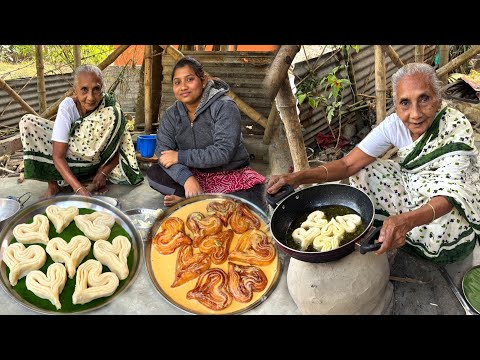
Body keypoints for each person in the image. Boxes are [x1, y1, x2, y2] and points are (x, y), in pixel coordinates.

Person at [267, 62, 480, 265]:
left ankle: (418, 237)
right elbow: (348, 165)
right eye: (405, 103)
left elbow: (451, 195)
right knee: (364, 169)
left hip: (446, 207)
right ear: (395, 105)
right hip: (413, 188)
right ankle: (395, 228)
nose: (415, 114)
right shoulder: (393, 126)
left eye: (424, 99)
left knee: (442, 225)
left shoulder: (455, 127)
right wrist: (297, 177)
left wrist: (407, 220)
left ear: (438, 98)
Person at [147, 56, 266, 210]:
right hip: (195, 173)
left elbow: (223, 152)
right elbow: (162, 151)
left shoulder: (224, 107)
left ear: (203, 81)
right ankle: (199, 198)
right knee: (154, 174)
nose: (183, 87)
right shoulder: (172, 114)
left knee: (257, 197)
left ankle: (188, 199)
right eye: (177, 82)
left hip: (229, 174)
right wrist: (187, 178)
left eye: (189, 79)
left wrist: (180, 156)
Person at [20, 64, 144, 198]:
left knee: (115, 113)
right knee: (28, 122)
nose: (90, 97)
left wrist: (103, 173)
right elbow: (57, 156)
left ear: (102, 89)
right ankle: (53, 185)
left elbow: (118, 148)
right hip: (69, 159)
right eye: (84, 90)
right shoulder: (67, 107)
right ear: (75, 91)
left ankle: (91, 177)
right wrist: (79, 189)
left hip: (94, 163)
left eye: (96, 89)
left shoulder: (109, 109)